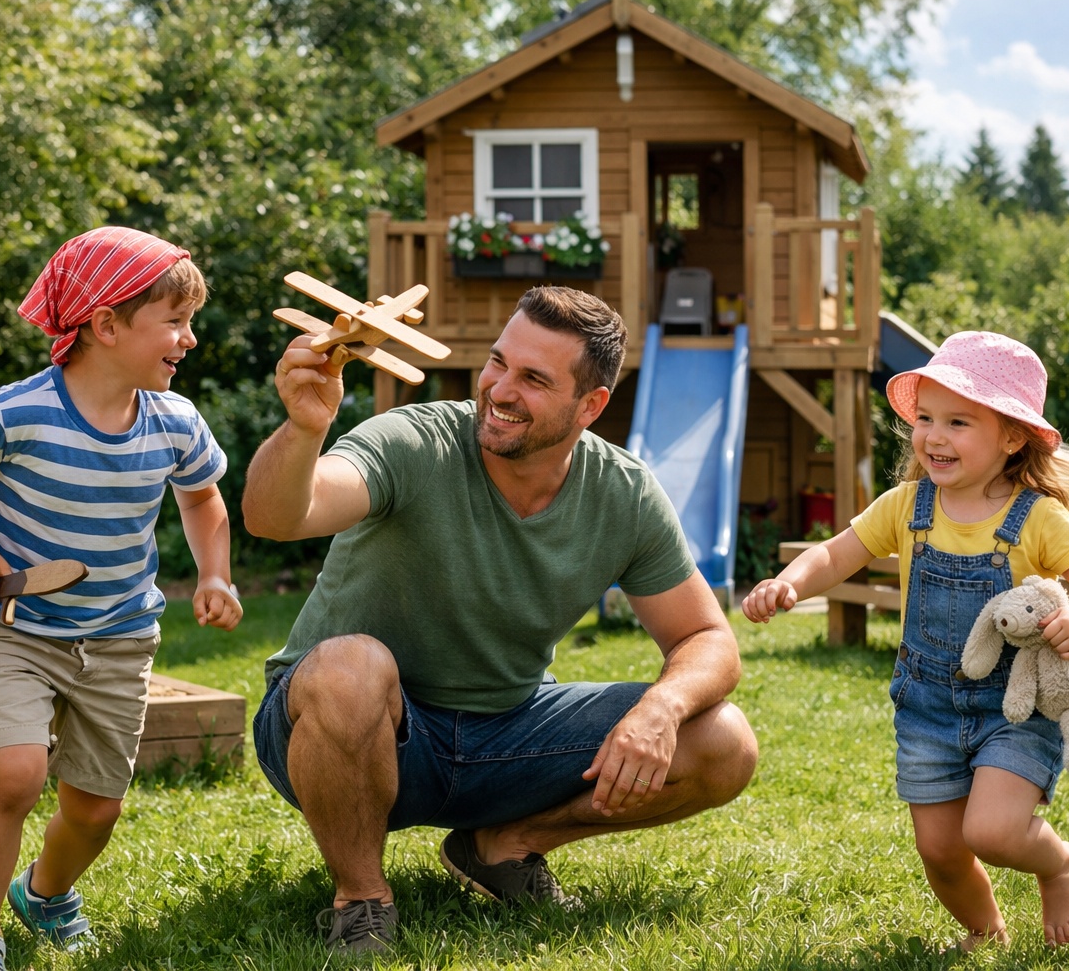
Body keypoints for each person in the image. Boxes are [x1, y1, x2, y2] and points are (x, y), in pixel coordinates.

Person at [243, 285, 758, 954]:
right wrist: (305, 429)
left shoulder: (622, 494)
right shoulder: (412, 440)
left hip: (505, 734)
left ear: (590, 405)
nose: (500, 389)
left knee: (724, 741)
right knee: (351, 666)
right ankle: (362, 902)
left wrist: (662, 707)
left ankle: (504, 846)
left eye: (534, 379)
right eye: (498, 363)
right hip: (352, 727)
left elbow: (706, 638)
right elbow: (278, 518)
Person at [0, 227, 243, 971]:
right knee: (15, 772)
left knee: (96, 808)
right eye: (175, 322)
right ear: (105, 325)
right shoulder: (20, 410)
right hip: (14, 626)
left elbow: (202, 500)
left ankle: (46, 892)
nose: (189, 340)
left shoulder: (174, 422)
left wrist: (215, 573)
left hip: (120, 637)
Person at [743, 331, 1069, 950]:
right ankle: (986, 932)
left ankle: (1058, 865)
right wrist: (788, 582)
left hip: (1015, 706)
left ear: (1010, 436)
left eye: (958, 421)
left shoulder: (1036, 517)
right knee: (941, 849)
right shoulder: (906, 506)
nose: (934, 437)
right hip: (927, 709)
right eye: (925, 419)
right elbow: (834, 554)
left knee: (994, 832)